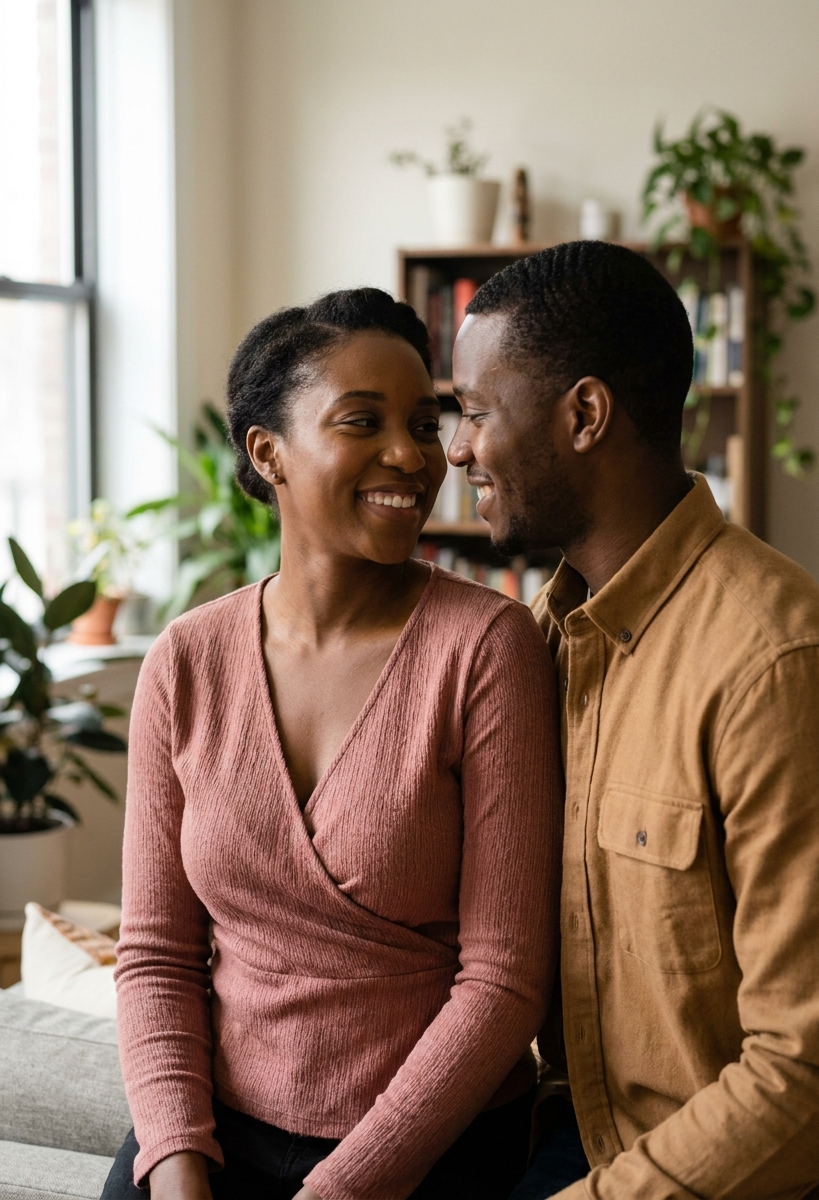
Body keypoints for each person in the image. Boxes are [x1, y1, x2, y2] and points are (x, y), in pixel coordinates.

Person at [447, 241, 819, 1200]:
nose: (456, 447)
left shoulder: (781, 670)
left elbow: (816, 1078)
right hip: (571, 1139)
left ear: (585, 415)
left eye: (477, 413)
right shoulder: (533, 646)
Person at [102, 288, 564, 1200]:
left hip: (429, 1143)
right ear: (267, 452)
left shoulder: (486, 649)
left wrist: (344, 1187)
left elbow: (507, 980)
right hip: (216, 1136)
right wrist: (178, 1161)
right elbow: (156, 952)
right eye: (363, 422)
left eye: (425, 424)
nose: (412, 455)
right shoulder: (184, 663)